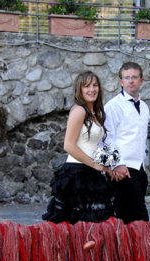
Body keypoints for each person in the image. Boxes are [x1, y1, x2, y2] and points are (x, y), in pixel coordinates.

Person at [42, 71, 115, 224]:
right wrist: (94, 164)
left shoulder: (95, 112)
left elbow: (93, 144)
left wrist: (107, 165)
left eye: (95, 85)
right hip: (77, 172)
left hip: (91, 172)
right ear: (79, 90)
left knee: (95, 224)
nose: (92, 89)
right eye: (86, 86)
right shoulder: (79, 111)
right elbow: (68, 145)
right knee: (78, 225)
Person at [104, 61, 150, 224]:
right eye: (127, 77)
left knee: (128, 219)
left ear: (141, 80)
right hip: (122, 169)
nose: (131, 81)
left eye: (135, 77)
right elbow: (104, 139)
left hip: (139, 169)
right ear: (121, 81)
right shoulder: (113, 106)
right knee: (139, 219)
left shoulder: (144, 107)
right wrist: (116, 165)